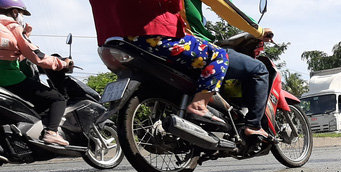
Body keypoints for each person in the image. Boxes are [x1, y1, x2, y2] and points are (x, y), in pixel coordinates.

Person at [88, 0, 229, 126]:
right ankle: (199, 105)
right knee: (219, 55)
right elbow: (174, 5)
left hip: (111, 43)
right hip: (151, 35)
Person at [182, 0, 274, 141]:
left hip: (153, 45)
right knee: (259, 69)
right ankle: (254, 126)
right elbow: (224, 6)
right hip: (192, 45)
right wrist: (259, 31)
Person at [0, 0, 72, 146]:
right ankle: (51, 133)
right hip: (8, 79)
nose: (22, 17)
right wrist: (63, 63)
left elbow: (19, 58)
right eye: (22, 13)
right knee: (57, 99)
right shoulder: (12, 27)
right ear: (14, 12)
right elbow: (36, 56)